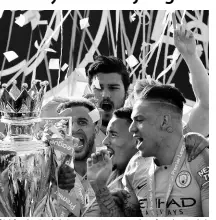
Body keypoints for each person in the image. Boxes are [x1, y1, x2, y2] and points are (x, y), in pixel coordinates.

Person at [88, 85, 209, 217]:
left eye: (139, 120)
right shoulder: (135, 166)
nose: (131, 129)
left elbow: (206, 104)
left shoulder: (201, 159)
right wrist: (100, 188)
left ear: (164, 121)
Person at [124, 23, 209, 137]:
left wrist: (190, 56)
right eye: (139, 116)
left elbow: (207, 104)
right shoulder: (117, 144)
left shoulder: (179, 141)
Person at [56, 98, 102, 216]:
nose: (74, 129)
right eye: (66, 124)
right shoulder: (50, 175)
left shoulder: (113, 170)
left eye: (82, 122)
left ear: (96, 128)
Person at [85, 55, 130, 150]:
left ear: (126, 94)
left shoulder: (138, 136)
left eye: (113, 88)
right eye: (98, 88)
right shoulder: (73, 134)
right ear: (89, 92)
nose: (105, 95)